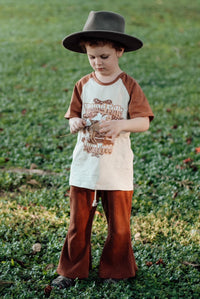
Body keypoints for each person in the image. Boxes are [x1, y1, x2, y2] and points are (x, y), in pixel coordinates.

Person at [52, 10, 154, 289]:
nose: (97, 62)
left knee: (119, 226)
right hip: (85, 166)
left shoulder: (128, 86)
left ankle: (116, 271)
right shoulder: (83, 85)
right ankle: (71, 272)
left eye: (104, 56)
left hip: (116, 168)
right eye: (92, 57)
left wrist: (121, 125)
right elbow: (72, 115)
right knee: (77, 224)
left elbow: (143, 122)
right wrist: (75, 122)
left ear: (119, 51)